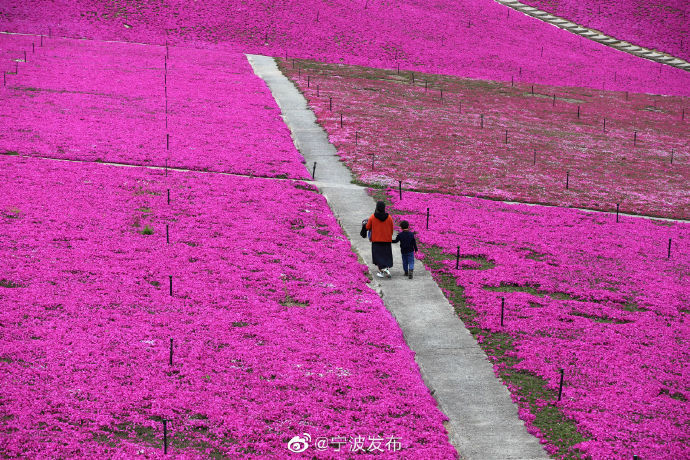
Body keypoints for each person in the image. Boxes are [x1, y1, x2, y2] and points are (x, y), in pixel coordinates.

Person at [366, 201, 394, 278]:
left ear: (377, 207)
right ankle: (385, 269)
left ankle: (383, 270)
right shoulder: (389, 217)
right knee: (386, 256)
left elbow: (367, 227)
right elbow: (392, 229)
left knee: (378, 256)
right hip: (387, 240)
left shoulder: (372, 217)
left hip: (376, 240)